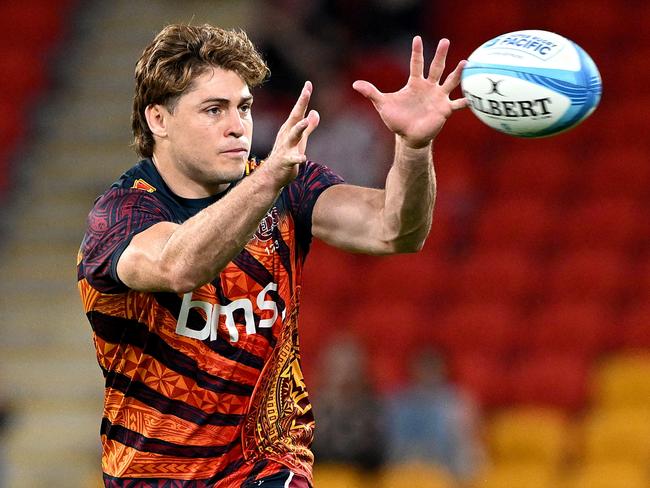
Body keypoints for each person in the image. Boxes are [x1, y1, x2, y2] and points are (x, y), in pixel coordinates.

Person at [77, 22, 466, 487]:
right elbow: (177, 265)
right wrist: (265, 183)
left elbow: (394, 230)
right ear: (158, 119)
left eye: (243, 107)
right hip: (155, 474)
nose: (237, 125)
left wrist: (414, 146)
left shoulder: (283, 183)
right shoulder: (120, 213)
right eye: (213, 110)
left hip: (268, 465)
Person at [384, 349, 485, 484]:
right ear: (413, 370)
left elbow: (469, 443)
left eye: (433, 367)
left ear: (444, 369)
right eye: (424, 367)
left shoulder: (460, 401)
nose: (428, 372)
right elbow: (391, 446)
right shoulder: (397, 402)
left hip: (449, 472)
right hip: (405, 471)